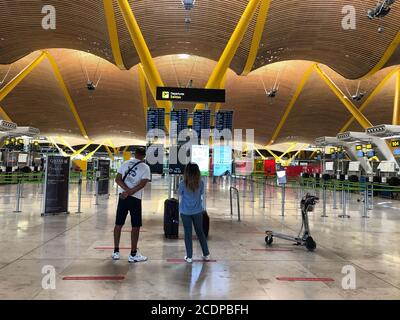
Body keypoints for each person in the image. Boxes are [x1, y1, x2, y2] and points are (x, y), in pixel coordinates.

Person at [112, 147, 151, 263]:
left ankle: (116, 252)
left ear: (134, 154)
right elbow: (142, 184)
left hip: (123, 197)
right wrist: (130, 192)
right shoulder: (145, 167)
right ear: (144, 156)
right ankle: (133, 253)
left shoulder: (125, 163)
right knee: (135, 226)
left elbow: (117, 179)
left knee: (118, 224)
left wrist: (126, 191)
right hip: (135, 199)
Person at [178, 162, 210, 263]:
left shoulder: (183, 183)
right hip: (197, 211)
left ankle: (189, 257)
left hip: (185, 212)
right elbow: (201, 193)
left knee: (188, 233)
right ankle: (206, 254)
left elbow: (179, 193)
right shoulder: (201, 183)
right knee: (200, 232)